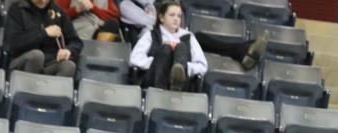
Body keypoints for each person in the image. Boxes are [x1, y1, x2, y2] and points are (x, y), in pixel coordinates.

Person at [129, 1, 268, 91]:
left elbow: (202, 65)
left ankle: (177, 81)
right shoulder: (152, 34)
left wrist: (184, 68)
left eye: (179, 16)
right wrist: (159, 63)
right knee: (165, 49)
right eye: (172, 15)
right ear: (161, 17)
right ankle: (245, 49)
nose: (176, 19)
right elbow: (134, 59)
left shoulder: (187, 36)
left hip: (181, 84)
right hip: (155, 81)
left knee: (182, 47)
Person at [4, 0, 84, 77]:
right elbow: (12, 44)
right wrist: (44, 33)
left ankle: (52, 87)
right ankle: (28, 86)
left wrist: (68, 50)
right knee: (36, 56)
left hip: (48, 64)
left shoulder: (56, 10)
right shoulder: (17, 9)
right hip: (22, 61)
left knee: (68, 66)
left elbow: (76, 41)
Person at [54, 0, 122, 42]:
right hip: (80, 30)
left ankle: (101, 56)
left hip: (100, 28)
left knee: (113, 24)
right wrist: (75, 10)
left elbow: (115, 15)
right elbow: (57, 16)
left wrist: (93, 8)